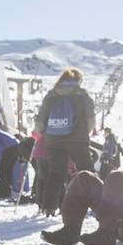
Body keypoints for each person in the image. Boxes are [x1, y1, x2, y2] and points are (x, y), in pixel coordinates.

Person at [35, 68, 96, 215]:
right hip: (77, 138)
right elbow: (90, 119)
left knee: (55, 173)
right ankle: (96, 203)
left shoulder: (50, 95)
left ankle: (48, 207)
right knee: (86, 170)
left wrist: (47, 134)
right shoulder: (82, 94)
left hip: (54, 139)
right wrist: (83, 133)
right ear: (77, 80)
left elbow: (40, 122)